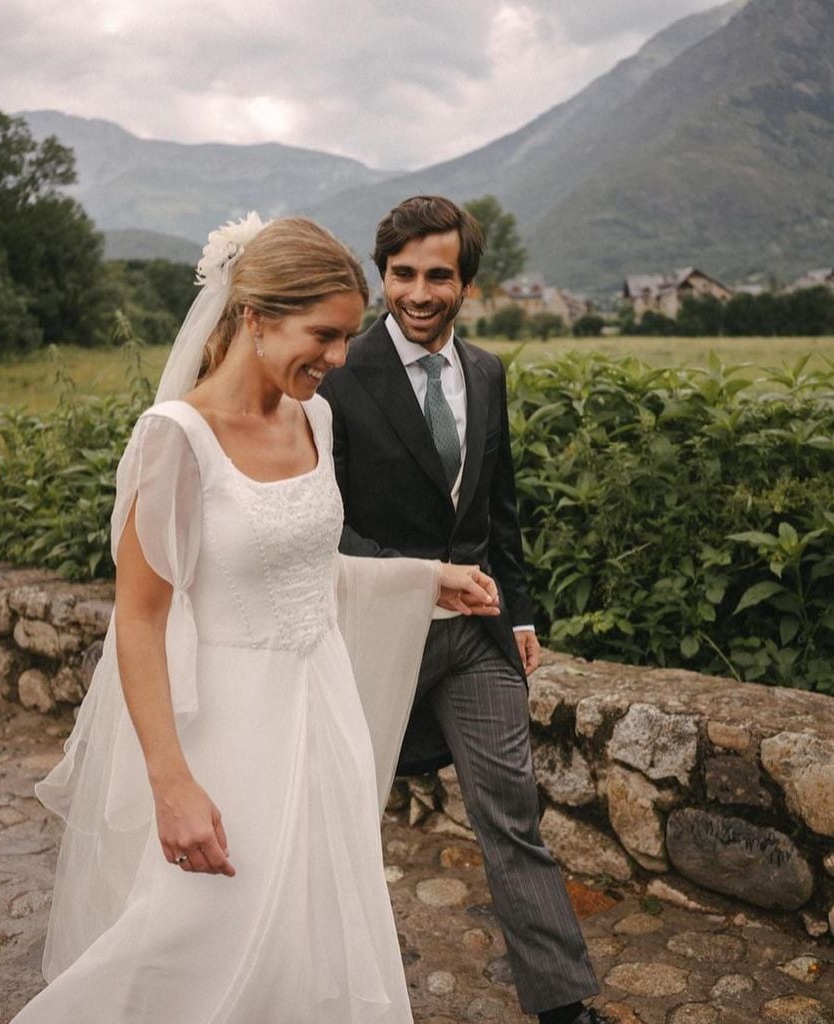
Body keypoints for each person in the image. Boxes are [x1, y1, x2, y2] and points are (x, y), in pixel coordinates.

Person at [11, 214, 501, 1024]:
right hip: (229, 733)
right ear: (255, 317)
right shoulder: (176, 439)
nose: (340, 359)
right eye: (326, 335)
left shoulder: (315, 418)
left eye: (348, 338)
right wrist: (172, 786)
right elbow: (138, 621)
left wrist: (424, 579)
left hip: (322, 712)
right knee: (195, 934)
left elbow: (301, 568)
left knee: (314, 927)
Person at [320, 196, 603, 1024]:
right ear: (382, 278)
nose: (417, 291)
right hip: (373, 638)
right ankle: (323, 988)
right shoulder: (340, 373)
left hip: (474, 642)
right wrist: (417, 577)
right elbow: (321, 524)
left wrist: (518, 613)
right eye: (401, 274)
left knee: (511, 818)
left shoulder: (487, 371)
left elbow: (496, 510)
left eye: (436, 275)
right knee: (338, 819)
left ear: (466, 284)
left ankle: (564, 1007)